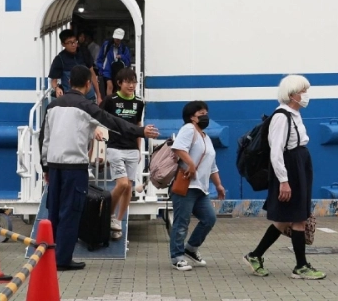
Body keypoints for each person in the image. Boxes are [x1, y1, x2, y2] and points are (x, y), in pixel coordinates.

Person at [39, 65, 160, 271]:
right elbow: (113, 122)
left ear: (68, 82)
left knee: (55, 211)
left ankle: (49, 253)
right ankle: (63, 259)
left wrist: (45, 168)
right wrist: (140, 131)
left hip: (54, 166)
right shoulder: (86, 106)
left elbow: (45, 138)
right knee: (71, 211)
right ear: (88, 84)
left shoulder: (52, 106)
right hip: (74, 167)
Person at [243, 75, 326, 280]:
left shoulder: (294, 114)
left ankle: (255, 255)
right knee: (298, 218)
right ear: (291, 95)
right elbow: (276, 151)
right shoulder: (281, 116)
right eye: (302, 92)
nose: (306, 96)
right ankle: (300, 267)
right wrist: (284, 181)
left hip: (299, 164)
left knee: (286, 219)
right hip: (291, 167)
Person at [169, 100, 225, 272]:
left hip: (201, 188)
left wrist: (219, 185)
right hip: (186, 185)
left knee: (209, 219)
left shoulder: (205, 137)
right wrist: (191, 165)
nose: (205, 116)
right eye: (201, 113)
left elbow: (212, 165)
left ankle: (191, 248)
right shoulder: (188, 129)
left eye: (206, 113)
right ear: (192, 117)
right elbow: (178, 148)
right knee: (182, 222)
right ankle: (177, 256)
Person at [100, 68, 145, 238]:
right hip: (114, 147)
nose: (132, 85)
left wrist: (139, 149)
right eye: (128, 82)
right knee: (122, 184)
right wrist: (98, 147)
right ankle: (108, 214)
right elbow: (98, 120)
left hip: (132, 148)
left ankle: (118, 220)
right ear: (119, 83)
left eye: (134, 82)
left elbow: (138, 124)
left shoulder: (139, 102)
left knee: (129, 188)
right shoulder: (110, 100)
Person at [48, 29, 100, 102]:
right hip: (71, 99)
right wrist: (57, 88)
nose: (73, 44)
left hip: (89, 97)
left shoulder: (84, 52)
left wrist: (98, 95)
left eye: (75, 41)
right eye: (69, 42)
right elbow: (53, 81)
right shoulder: (59, 59)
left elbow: (92, 74)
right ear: (63, 44)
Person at [95, 28, 131, 98]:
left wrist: (122, 57)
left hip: (120, 71)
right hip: (107, 70)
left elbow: (128, 61)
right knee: (110, 86)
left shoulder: (124, 48)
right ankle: (109, 103)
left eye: (119, 38)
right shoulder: (107, 45)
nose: (117, 40)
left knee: (119, 88)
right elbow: (100, 58)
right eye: (116, 38)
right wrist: (101, 69)